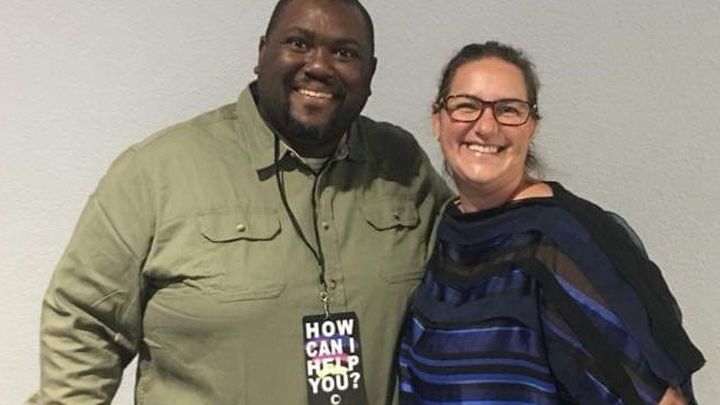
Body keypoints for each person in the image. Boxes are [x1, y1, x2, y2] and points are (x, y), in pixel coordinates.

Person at [29, 0, 451, 404]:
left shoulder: (402, 165)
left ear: (370, 73)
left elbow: (471, 254)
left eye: (344, 52)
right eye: (299, 43)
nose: (319, 66)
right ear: (262, 53)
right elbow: (83, 322)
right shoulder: (156, 171)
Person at [399, 41, 704, 404]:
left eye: (508, 110)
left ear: (532, 127)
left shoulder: (562, 242)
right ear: (437, 119)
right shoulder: (449, 231)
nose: (486, 126)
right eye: (466, 106)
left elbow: (662, 399)